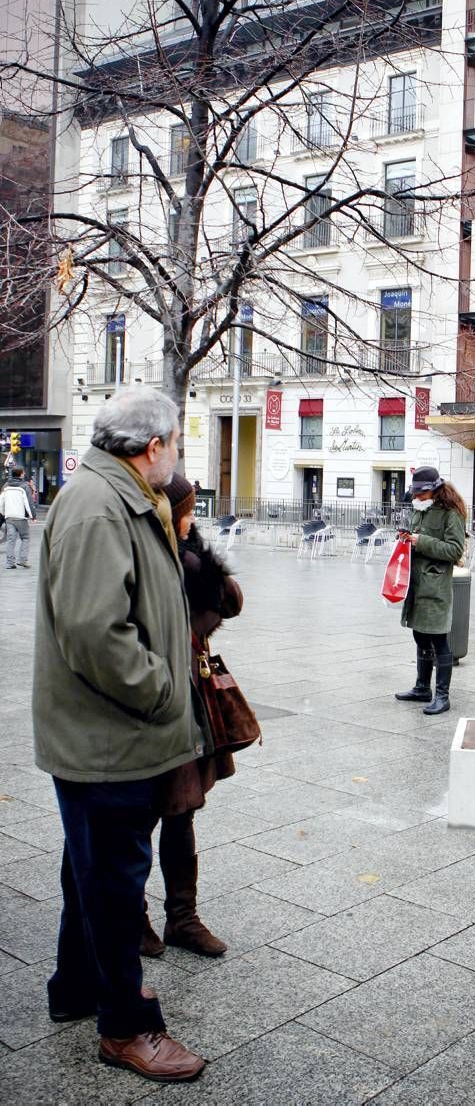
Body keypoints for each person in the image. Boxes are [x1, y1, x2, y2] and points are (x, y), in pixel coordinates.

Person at [32, 387, 205, 1084]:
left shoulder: (119, 496)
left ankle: (75, 989)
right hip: (108, 735)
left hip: (105, 732)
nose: (177, 455)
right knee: (113, 879)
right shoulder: (101, 506)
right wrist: (162, 689)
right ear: (152, 446)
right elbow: (97, 633)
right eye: (176, 442)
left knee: (90, 871)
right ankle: (125, 1026)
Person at [140, 473, 243, 960]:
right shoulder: (144, 557)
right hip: (148, 703)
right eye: (186, 511)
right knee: (138, 818)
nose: (191, 518)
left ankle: (182, 917)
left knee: (182, 812)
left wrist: (199, 559)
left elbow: (232, 601)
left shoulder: (188, 560)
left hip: (189, 700)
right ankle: (133, 916)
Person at [394, 466, 466, 716]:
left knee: (438, 640)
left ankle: (442, 696)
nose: (417, 497)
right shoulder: (418, 510)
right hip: (415, 584)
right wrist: (406, 539)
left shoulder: (451, 514)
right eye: (416, 493)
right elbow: (416, 538)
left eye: (421, 493)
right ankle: (422, 687)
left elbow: (455, 551)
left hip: (435, 585)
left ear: (434, 490)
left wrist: (420, 541)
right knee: (420, 636)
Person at [0, 466, 34, 568]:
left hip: (9, 517)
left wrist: (4, 513)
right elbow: (29, 502)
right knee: (25, 537)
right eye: (23, 473)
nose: (24, 474)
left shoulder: (5, 486)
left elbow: (1, 502)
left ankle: (10, 563)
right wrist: (32, 515)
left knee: (11, 539)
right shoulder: (24, 486)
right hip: (21, 517)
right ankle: (22, 560)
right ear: (20, 474)